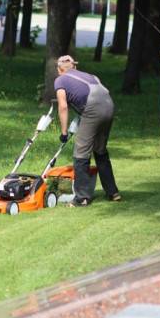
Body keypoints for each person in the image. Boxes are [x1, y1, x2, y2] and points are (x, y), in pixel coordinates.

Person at [54, 55, 121, 206]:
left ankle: (82, 198)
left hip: (93, 109)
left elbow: (63, 106)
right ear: (75, 67)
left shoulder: (60, 80)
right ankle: (113, 192)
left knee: (81, 151)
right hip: (109, 106)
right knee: (100, 150)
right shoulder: (90, 76)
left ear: (59, 70)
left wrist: (64, 132)